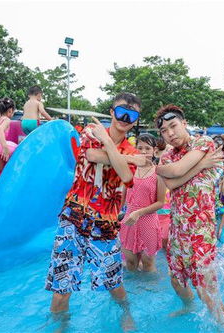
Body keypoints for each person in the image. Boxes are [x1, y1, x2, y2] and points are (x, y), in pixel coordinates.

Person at [44, 93, 146, 330]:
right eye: (121, 111)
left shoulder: (128, 147)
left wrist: (110, 145)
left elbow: (127, 175)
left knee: (114, 284)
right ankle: (59, 327)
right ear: (112, 112)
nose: (125, 118)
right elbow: (91, 155)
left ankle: (125, 311)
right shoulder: (92, 129)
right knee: (61, 289)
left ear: (135, 120)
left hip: (106, 224)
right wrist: (126, 157)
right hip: (74, 218)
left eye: (131, 115)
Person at [155, 104, 224, 322]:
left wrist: (166, 170)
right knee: (176, 279)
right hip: (178, 228)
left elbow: (176, 173)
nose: (170, 133)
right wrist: (200, 165)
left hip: (201, 229)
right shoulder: (168, 156)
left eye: (173, 126)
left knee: (206, 288)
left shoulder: (202, 142)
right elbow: (169, 183)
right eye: (164, 131)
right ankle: (188, 307)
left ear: (184, 123)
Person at [120, 134, 166, 272]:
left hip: (148, 221)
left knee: (148, 264)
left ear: (154, 151)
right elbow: (123, 192)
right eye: (140, 148)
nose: (143, 152)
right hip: (129, 220)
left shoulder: (159, 172)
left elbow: (160, 202)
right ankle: (133, 292)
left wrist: (139, 212)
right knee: (130, 263)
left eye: (147, 148)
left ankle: (149, 290)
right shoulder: (130, 169)